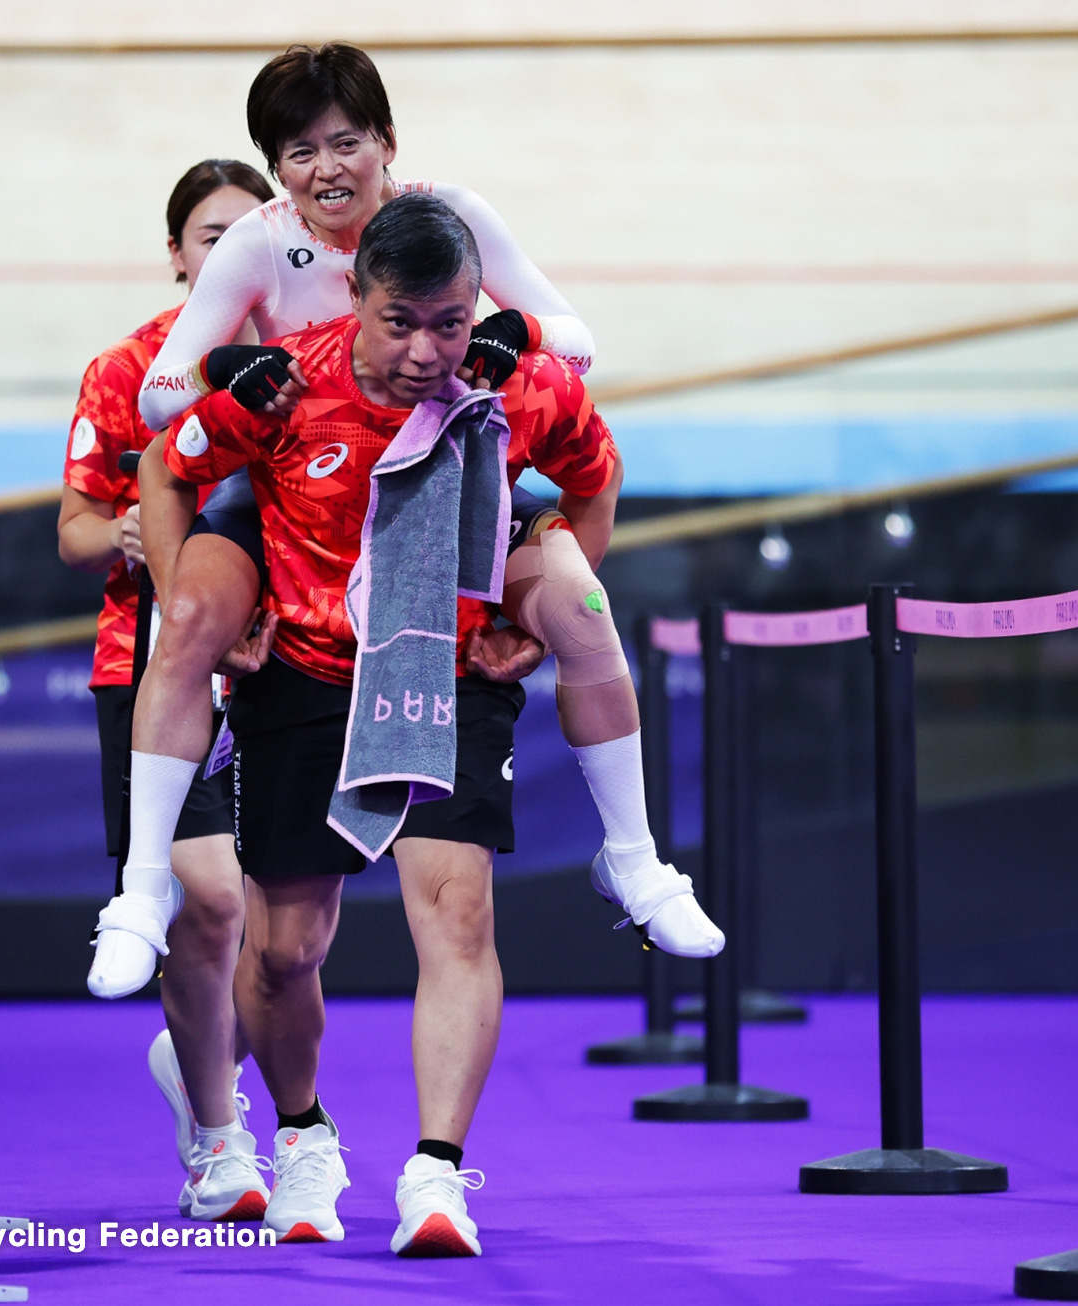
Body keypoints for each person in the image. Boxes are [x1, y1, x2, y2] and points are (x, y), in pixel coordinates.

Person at [93, 39, 719, 1003]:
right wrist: (228, 368)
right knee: (182, 620)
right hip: (300, 476)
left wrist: (518, 331)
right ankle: (141, 892)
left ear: (387, 142)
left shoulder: (452, 216)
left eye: (346, 143)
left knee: (583, 607)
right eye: (298, 154)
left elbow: (578, 341)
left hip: (448, 471)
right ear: (276, 167)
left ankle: (633, 858)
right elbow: (162, 397)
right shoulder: (262, 238)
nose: (325, 171)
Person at [145, 191, 638, 1255]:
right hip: (308, 671)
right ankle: (303, 1133)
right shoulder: (286, 382)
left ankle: (438, 1171)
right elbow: (164, 468)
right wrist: (212, 603)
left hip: (448, 665)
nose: (426, 350)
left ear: (476, 311)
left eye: (450, 323)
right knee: (283, 949)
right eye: (400, 322)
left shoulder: (519, 383)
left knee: (456, 914)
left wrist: (538, 616)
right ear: (353, 298)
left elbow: (599, 482)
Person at [56, 158, 280, 1223]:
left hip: (289, 663)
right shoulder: (126, 369)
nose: (221, 249)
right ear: (180, 251)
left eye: (243, 230)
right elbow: (74, 530)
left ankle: (196, 1073)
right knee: (213, 898)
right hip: (151, 665)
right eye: (205, 233)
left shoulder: (308, 357)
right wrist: (132, 533)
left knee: (273, 924)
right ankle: (223, 1137)